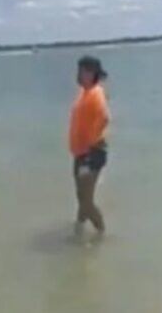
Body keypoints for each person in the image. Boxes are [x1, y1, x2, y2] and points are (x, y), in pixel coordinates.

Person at [69, 55, 110, 242]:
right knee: (81, 197)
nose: (78, 74)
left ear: (91, 73)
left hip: (91, 154)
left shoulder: (95, 93)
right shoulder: (84, 92)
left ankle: (101, 233)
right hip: (81, 154)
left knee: (86, 200)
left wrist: (91, 143)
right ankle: (79, 230)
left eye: (82, 71)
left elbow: (104, 118)